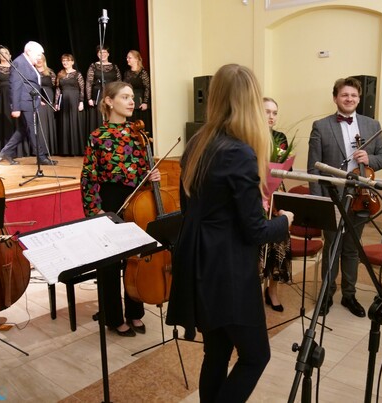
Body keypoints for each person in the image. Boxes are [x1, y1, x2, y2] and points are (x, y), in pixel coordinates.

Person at [166, 64, 294, 402]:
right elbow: (255, 230)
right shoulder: (239, 151)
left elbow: (190, 208)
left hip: (199, 263)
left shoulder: (198, 142)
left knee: (217, 352)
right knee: (255, 357)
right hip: (228, 270)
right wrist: (285, 221)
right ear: (250, 101)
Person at [80, 81, 161, 336]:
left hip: (137, 201)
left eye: (132, 97)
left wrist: (152, 176)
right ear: (108, 101)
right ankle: (113, 317)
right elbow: (89, 177)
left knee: (135, 257)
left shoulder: (139, 135)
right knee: (111, 263)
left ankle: (135, 312)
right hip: (110, 200)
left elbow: (144, 171)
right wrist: (95, 211)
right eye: (125, 97)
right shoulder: (98, 136)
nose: (131, 101)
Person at [307, 76, 382, 317]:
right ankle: (326, 294)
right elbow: (313, 168)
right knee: (332, 248)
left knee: (352, 248)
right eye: (344, 95)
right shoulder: (321, 126)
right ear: (335, 98)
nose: (349, 99)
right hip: (333, 197)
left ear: (359, 99)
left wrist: (370, 159)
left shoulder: (372, 125)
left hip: (362, 196)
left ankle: (349, 295)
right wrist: (319, 202)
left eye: (353, 95)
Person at [0, 41, 56, 166]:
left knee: (23, 129)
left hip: (30, 100)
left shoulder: (28, 63)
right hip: (24, 103)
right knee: (32, 129)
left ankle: (6, 152)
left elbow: (31, 84)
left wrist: (38, 98)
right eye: (38, 54)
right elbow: (15, 86)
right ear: (29, 51)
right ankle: (41, 157)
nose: (39, 57)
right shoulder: (20, 62)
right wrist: (15, 107)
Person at [261, 97, 292, 312]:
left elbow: (285, 169)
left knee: (278, 243)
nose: (271, 116)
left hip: (275, 193)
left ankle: (272, 291)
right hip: (255, 194)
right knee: (258, 246)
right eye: (267, 111)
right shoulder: (248, 136)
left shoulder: (280, 137)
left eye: (274, 112)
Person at [55, 53, 86, 155]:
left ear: (72, 62)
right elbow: (58, 90)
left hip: (74, 100)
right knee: (65, 123)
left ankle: (76, 149)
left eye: (67, 60)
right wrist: (56, 103)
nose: (65, 62)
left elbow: (82, 89)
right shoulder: (60, 74)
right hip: (64, 101)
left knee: (75, 122)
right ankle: (65, 150)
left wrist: (81, 101)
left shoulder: (77, 74)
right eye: (63, 61)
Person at [86, 45, 121, 132]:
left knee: (111, 115)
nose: (103, 54)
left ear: (108, 54)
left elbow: (119, 82)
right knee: (99, 117)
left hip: (111, 94)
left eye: (105, 52)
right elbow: (89, 82)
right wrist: (89, 98)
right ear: (97, 54)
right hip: (98, 94)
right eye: (100, 53)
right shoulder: (93, 66)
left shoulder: (114, 66)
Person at [123, 50, 151, 135]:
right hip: (129, 103)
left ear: (136, 59)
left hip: (140, 104)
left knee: (140, 127)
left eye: (129, 58)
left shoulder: (143, 73)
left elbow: (147, 88)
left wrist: (145, 102)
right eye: (127, 57)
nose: (127, 59)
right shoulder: (127, 73)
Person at [35, 54, 58, 156]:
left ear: (44, 60)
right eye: (37, 59)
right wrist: (38, 99)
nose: (39, 61)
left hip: (49, 99)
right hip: (37, 98)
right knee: (41, 124)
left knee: (49, 123)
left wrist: (55, 102)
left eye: (41, 59)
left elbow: (56, 87)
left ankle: (50, 148)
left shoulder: (50, 72)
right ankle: (42, 150)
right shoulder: (32, 71)